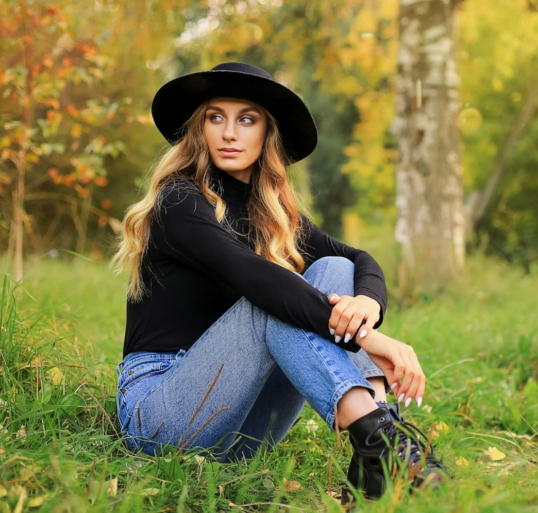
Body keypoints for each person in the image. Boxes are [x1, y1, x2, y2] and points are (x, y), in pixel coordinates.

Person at [112, 62, 446, 502]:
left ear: (266, 134)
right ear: (200, 128)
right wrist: (369, 341)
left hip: (242, 431)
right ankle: (379, 436)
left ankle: (375, 448)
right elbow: (256, 279)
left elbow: (358, 258)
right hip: (160, 415)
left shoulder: (272, 216)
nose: (229, 133)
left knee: (335, 269)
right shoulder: (179, 200)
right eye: (216, 117)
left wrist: (368, 305)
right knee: (271, 298)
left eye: (246, 119)